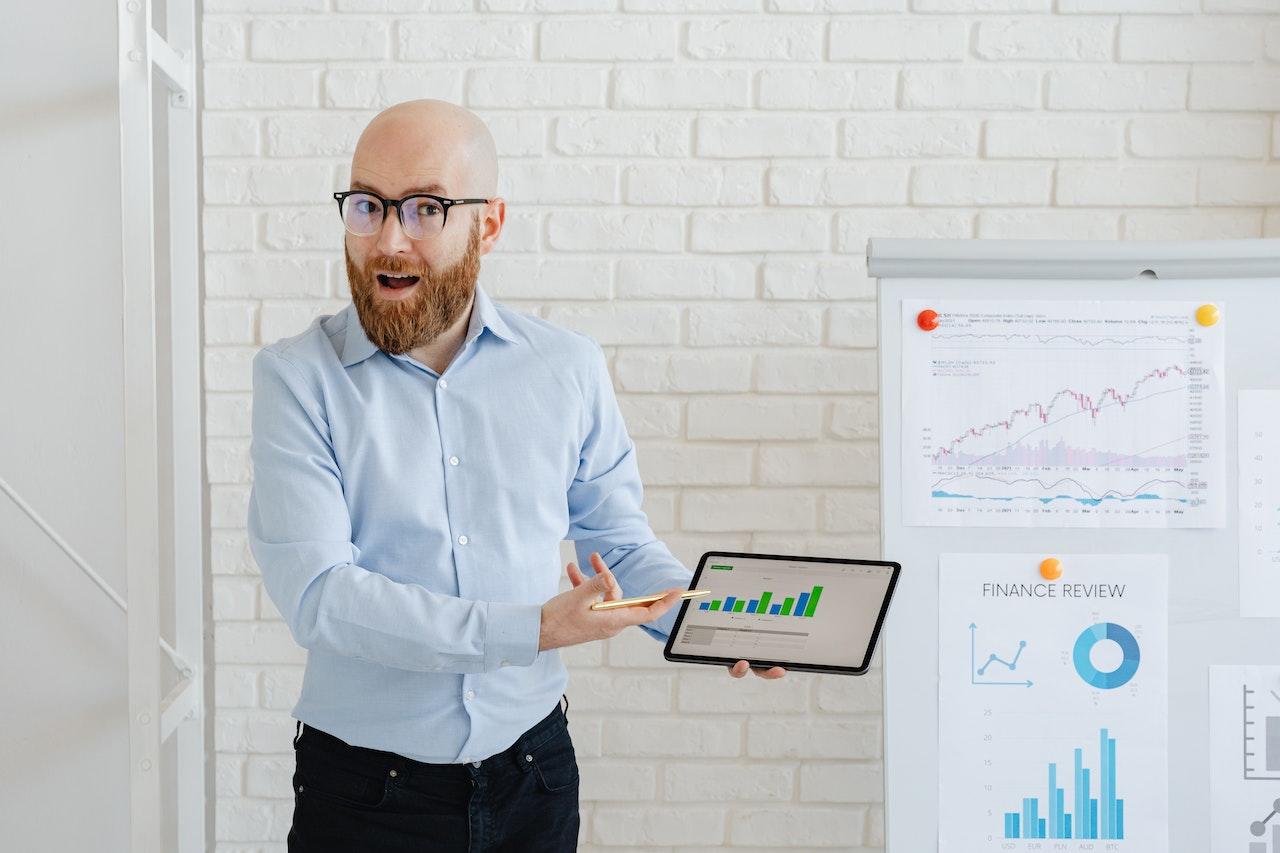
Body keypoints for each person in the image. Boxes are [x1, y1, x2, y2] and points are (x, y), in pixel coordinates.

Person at [246, 98, 786, 853]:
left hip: (534, 777)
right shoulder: (296, 379)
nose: (388, 239)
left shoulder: (565, 366)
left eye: (426, 208)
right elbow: (321, 596)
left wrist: (706, 621)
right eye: (368, 205)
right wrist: (532, 629)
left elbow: (619, 549)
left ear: (489, 223)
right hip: (367, 796)